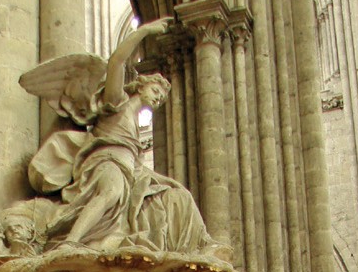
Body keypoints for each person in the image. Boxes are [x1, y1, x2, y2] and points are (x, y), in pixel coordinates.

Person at [23, 19, 224, 256]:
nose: (158, 99)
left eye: (161, 98)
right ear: (140, 86)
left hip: (131, 171)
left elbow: (136, 163)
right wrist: (144, 32)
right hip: (106, 162)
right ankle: (70, 242)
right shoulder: (116, 102)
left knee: (179, 195)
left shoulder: (137, 130)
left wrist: (164, 183)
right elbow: (117, 61)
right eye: (156, 91)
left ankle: (202, 246)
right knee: (112, 192)